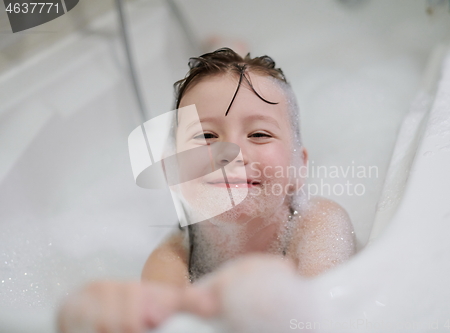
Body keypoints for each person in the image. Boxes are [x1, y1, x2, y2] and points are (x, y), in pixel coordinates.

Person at [57, 47, 356, 333]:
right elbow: (167, 320)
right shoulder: (173, 256)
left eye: (260, 134)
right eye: (207, 135)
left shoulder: (318, 222)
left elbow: (324, 308)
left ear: (298, 168)